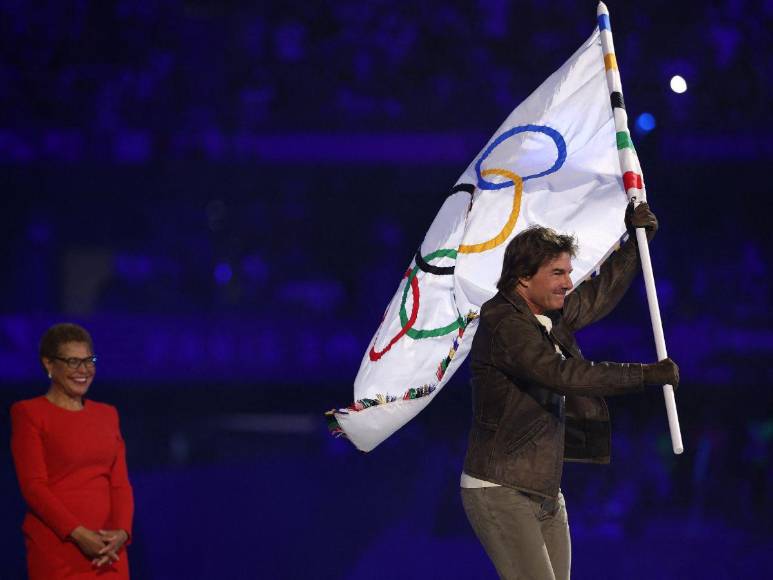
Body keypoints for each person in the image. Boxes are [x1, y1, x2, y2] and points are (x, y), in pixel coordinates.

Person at [459, 202, 679, 580]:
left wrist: (634, 244)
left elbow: (595, 297)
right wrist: (643, 375)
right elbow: (562, 374)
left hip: (543, 490)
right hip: (500, 489)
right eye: (558, 273)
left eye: (569, 272)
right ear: (524, 278)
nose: (567, 282)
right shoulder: (504, 324)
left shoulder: (544, 314)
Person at [10, 323, 134, 579]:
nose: (84, 370)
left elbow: (120, 484)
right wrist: (79, 534)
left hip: (109, 553)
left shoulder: (108, 414)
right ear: (49, 364)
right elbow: (33, 487)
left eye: (89, 361)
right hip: (59, 549)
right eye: (73, 362)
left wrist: (122, 532)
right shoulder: (29, 413)